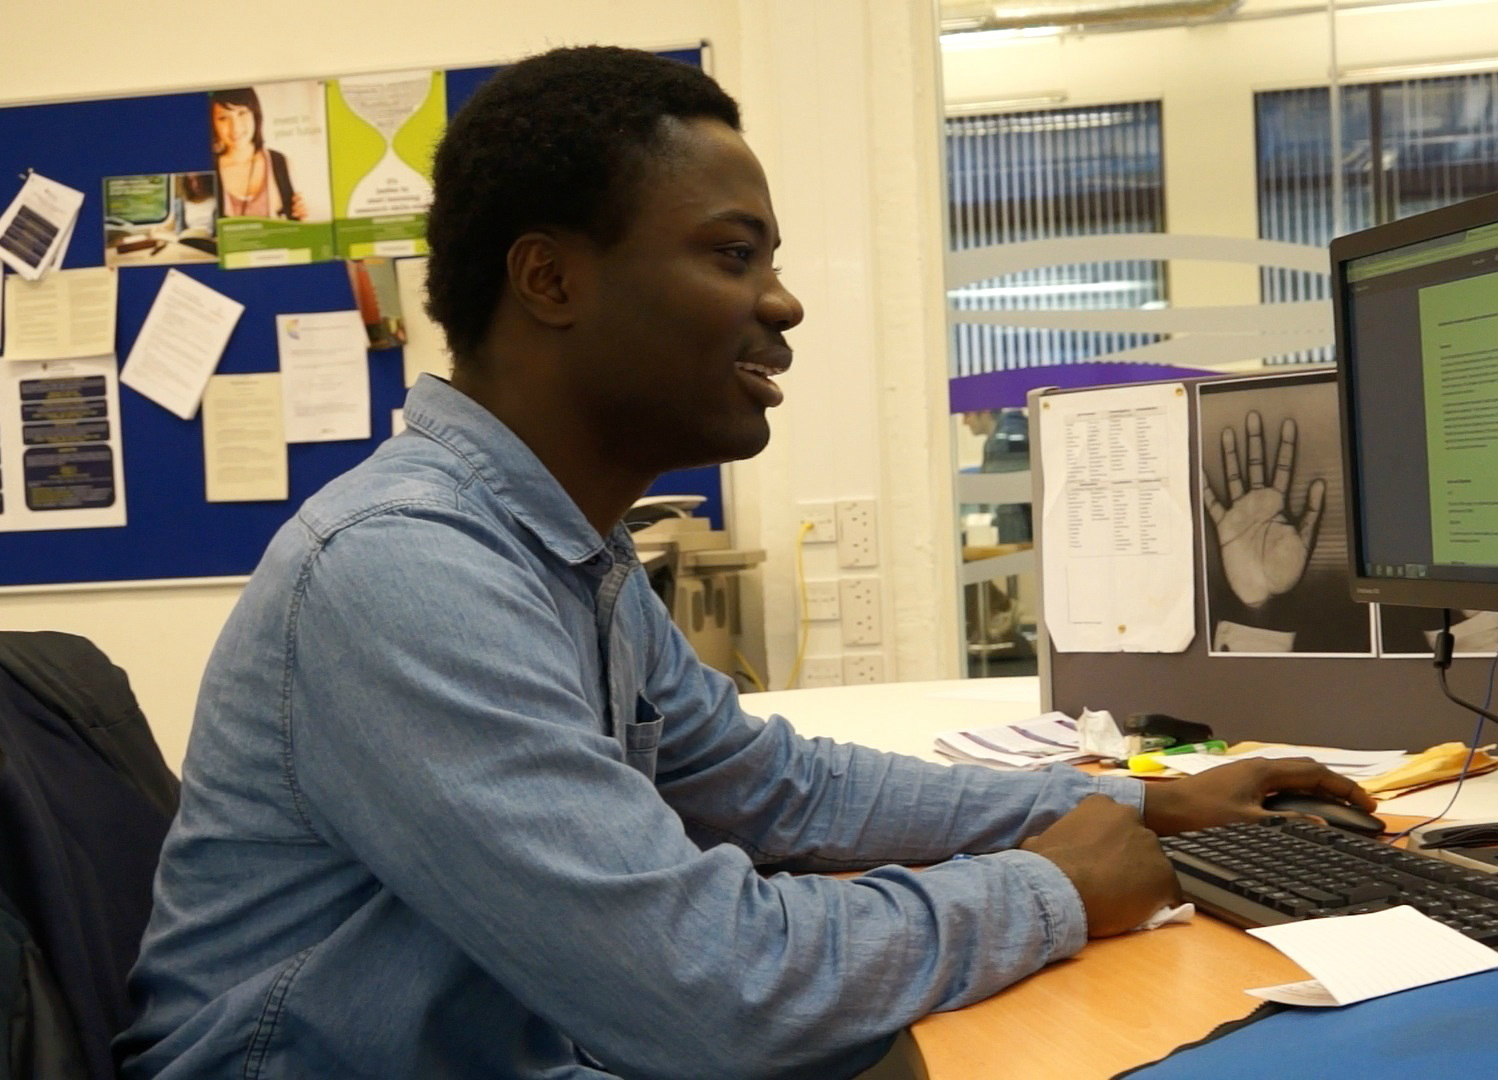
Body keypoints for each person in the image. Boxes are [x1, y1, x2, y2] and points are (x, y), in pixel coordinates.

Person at [117, 47, 1375, 1080]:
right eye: (733, 255)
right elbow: (704, 984)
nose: (782, 303)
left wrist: (1143, 806)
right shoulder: (399, 575)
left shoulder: (568, 550)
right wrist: (1048, 891)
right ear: (548, 278)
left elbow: (779, 793)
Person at [210, 87, 307, 221]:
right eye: (223, 118)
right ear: (213, 124)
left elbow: (296, 225)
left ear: (255, 115)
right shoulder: (208, 170)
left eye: (242, 113)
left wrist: (300, 216)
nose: (235, 127)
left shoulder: (280, 163)